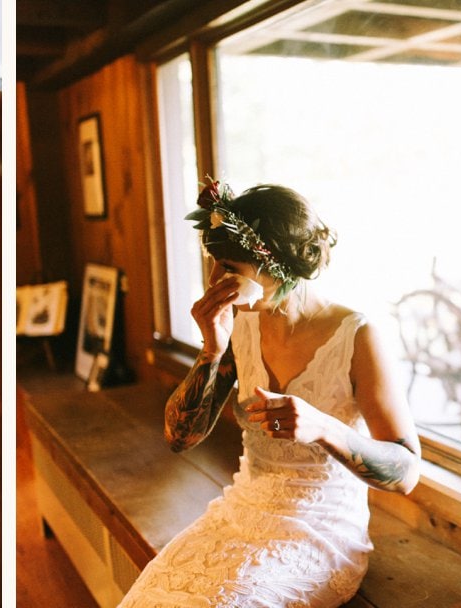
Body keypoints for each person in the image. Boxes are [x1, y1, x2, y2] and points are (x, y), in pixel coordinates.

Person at [119, 182, 421, 607]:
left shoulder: (357, 335)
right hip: (240, 512)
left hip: (319, 531)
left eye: (229, 267)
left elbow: (406, 472)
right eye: (213, 265)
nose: (215, 281)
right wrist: (211, 349)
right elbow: (179, 438)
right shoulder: (240, 323)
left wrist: (323, 427)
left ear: (278, 265)